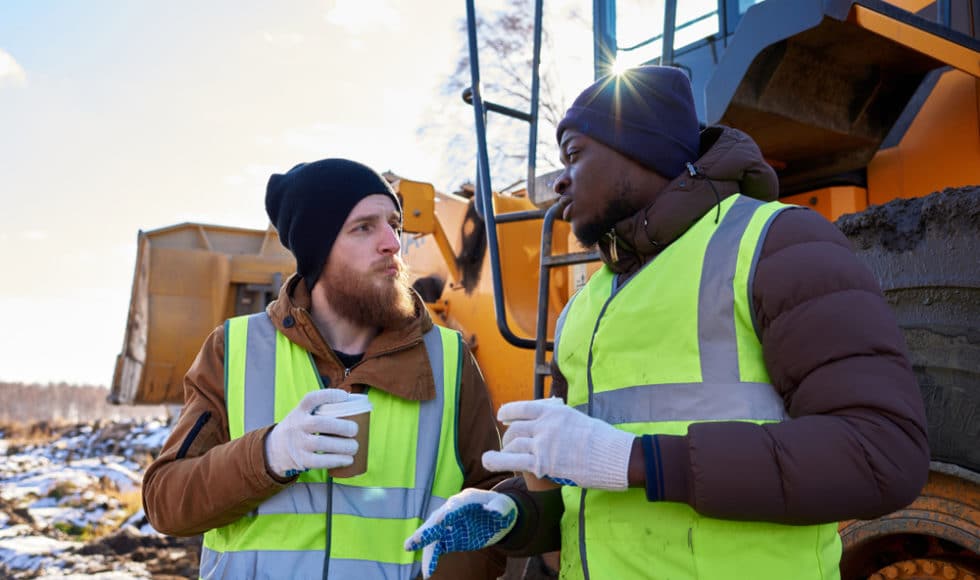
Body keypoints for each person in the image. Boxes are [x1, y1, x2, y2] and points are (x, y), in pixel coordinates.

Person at [405, 66, 929, 579]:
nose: (560, 179)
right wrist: (517, 515)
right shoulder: (582, 310)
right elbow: (585, 493)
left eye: (575, 155)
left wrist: (633, 459)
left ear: (643, 152)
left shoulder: (778, 244)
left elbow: (880, 452)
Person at [143, 158, 507, 579]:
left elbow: (495, 512)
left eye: (394, 224)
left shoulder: (448, 357)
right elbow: (165, 503)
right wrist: (269, 454)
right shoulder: (236, 349)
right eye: (364, 227)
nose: (392, 242)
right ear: (317, 250)